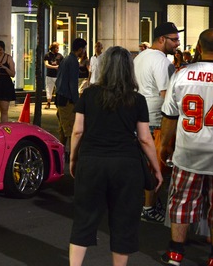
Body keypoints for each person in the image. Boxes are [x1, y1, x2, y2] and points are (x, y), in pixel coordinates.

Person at [69, 46, 163, 266]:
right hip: (126, 166)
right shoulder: (137, 100)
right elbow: (144, 139)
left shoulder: (89, 94)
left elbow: (77, 131)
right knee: (123, 222)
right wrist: (156, 168)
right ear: (129, 69)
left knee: (84, 219)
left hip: (92, 161)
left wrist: (74, 158)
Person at [159, 28, 213, 266]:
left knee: (181, 201)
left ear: (199, 48)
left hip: (188, 150)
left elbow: (170, 116)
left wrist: (163, 145)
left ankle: (175, 253)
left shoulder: (182, 74)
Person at [134, 21, 181, 223]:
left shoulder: (140, 57)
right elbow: (166, 95)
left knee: (145, 165)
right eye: (174, 39)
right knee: (156, 167)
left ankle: (147, 204)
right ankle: (149, 208)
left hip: (139, 117)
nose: (177, 43)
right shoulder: (162, 62)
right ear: (162, 39)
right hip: (155, 119)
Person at [55, 37, 87, 152]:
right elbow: (72, 84)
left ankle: (62, 152)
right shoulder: (73, 61)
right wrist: (77, 102)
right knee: (70, 129)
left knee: (63, 129)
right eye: (84, 49)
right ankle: (71, 154)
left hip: (60, 97)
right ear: (80, 49)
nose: (84, 51)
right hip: (67, 99)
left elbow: (59, 79)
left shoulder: (66, 59)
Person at [44, 42, 63, 109]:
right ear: (53, 48)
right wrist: (54, 67)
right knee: (49, 89)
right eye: (56, 48)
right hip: (49, 75)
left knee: (59, 89)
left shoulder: (60, 56)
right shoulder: (47, 55)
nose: (58, 49)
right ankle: (48, 102)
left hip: (58, 76)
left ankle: (58, 103)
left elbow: (62, 65)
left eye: (58, 48)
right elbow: (46, 64)